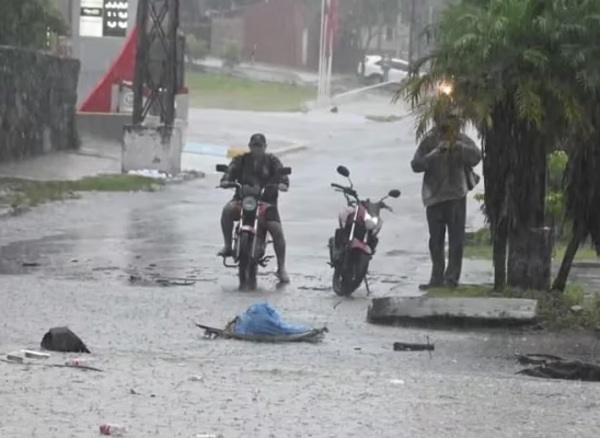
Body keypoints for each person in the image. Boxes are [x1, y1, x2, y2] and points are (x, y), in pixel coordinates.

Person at [411, 112, 482, 290]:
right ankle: (436, 277)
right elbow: (415, 164)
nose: (448, 121)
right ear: (436, 119)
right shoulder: (429, 140)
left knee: (456, 239)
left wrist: (458, 148)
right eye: (444, 117)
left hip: (456, 195)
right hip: (434, 196)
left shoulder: (461, 139)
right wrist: (433, 155)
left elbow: (476, 157)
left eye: (452, 118)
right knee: (436, 240)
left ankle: (451, 279)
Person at [218, 133, 290, 283]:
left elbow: (282, 175)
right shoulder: (241, 160)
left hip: (267, 203)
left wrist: (283, 183)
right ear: (250, 146)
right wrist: (226, 180)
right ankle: (227, 246)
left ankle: (281, 268)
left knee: (276, 230)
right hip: (242, 200)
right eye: (254, 146)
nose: (257, 149)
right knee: (226, 211)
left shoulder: (272, 161)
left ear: (265, 147)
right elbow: (229, 172)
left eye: (260, 146)